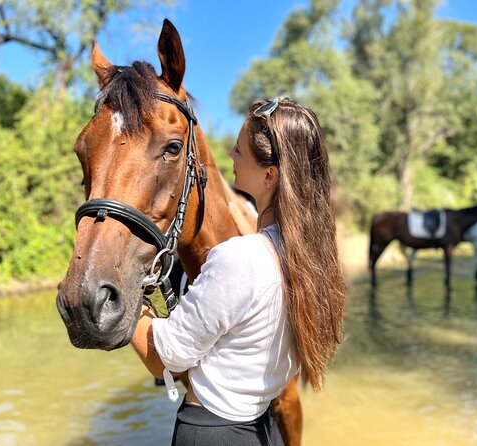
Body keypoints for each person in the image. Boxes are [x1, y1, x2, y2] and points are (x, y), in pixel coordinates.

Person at [131, 98, 346, 445]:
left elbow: (166, 359)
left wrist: (134, 309)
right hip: (264, 428)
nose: (229, 155)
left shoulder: (239, 258)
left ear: (270, 175)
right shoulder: (311, 257)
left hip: (213, 433)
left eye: (239, 150)